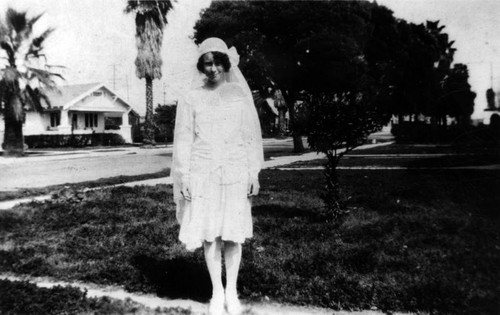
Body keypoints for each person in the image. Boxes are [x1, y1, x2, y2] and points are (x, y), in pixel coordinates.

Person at [171, 37, 264, 315]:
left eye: (217, 63)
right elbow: (184, 139)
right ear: (201, 66)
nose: (212, 69)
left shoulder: (238, 94)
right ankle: (216, 292)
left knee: (233, 234)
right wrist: (184, 176)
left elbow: (250, 137)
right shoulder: (191, 97)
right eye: (207, 63)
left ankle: (232, 292)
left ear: (226, 63)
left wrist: (253, 173)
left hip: (235, 168)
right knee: (210, 234)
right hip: (203, 170)